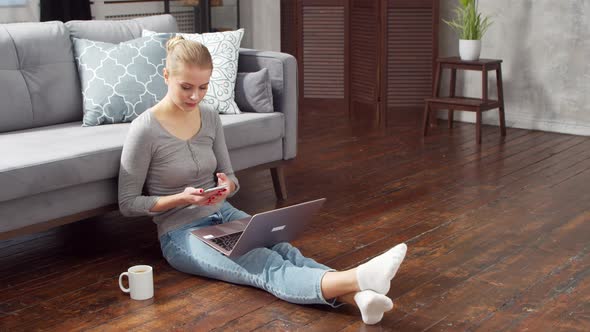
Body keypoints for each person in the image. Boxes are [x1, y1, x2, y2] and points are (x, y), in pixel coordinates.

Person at [118, 35, 407, 325]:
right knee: (262, 263)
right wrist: (181, 198)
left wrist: (226, 186)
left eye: (203, 87)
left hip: (223, 212)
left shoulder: (208, 116)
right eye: (186, 87)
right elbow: (128, 203)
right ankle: (359, 278)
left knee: (282, 249)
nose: (195, 96)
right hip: (181, 232)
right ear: (166, 76)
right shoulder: (144, 129)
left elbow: (230, 176)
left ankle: (361, 297)